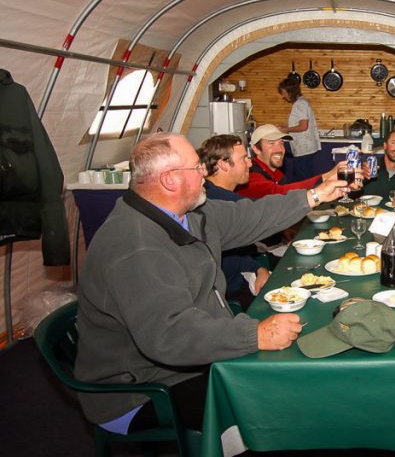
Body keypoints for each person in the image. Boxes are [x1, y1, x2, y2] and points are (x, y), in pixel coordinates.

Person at [74, 133, 345, 435]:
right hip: (142, 389)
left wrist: (313, 196)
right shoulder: (135, 245)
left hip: (187, 360)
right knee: (276, 403)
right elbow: (172, 335)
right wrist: (255, 334)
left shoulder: (188, 214)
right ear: (169, 180)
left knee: (289, 379)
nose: (205, 172)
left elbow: (251, 215)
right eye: (196, 167)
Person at [197, 134, 271, 310]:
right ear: (223, 164)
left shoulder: (222, 196)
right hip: (229, 295)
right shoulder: (219, 202)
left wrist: (258, 269)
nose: (250, 164)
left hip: (244, 276)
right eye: (244, 158)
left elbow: (231, 251)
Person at [237, 123, 342, 199]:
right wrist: (327, 177)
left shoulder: (277, 174)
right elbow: (279, 193)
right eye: (271, 143)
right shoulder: (250, 176)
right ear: (256, 149)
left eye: (281, 143)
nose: (279, 149)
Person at [277, 77, 321, 181]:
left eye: (284, 93)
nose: (283, 96)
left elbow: (303, 126)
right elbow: (301, 124)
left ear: (290, 91)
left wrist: (287, 129)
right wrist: (287, 127)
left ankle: (306, 197)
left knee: (303, 180)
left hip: (304, 149)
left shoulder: (300, 104)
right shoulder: (301, 102)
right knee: (304, 179)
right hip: (304, 149)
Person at [358, 130, 395, 197]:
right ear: (385, 146)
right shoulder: (370, 168)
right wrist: (360, 176)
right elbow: (352, 195)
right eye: (393, 143)